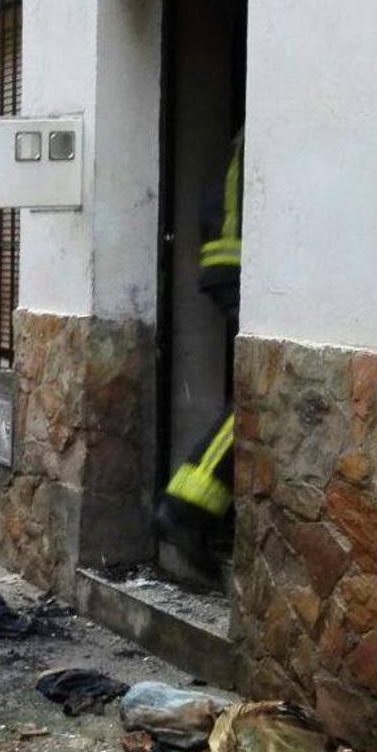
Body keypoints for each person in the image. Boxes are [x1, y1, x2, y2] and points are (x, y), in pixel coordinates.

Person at [158, 128, 244, 570]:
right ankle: (186, 508)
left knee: (253, 402)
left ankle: (193, 509)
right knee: (256, 405)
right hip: (239, 266)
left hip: (232, 265)